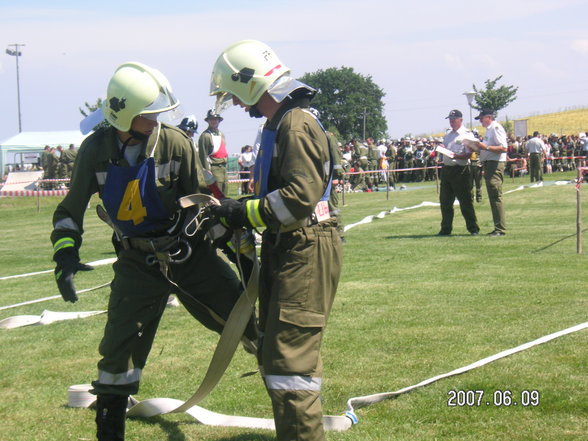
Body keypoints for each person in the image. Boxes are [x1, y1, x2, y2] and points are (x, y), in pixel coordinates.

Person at [49, 61, 256, 441]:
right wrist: (65, 254)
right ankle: (109, 430)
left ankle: (290, 404)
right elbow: (69, 210)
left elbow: (203, 200)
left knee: (247, 321)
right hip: (135, 262)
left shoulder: (174, 142)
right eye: (148, 114)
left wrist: (231, 243)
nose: (156, 120)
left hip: (190, 254)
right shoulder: (94, 151)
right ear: (123, 116)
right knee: (117, 355)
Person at [208, 39, 343, 441]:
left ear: (250, 83)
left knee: (290, 366)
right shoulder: (283, 121)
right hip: (290, 244)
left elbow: (300, 197)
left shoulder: (294, 123)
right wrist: (243, 209)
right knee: (277, 353)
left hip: (304, 245)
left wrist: (243, 212)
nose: (233, 103)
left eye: (233, 93)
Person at [437, 109, 479, 236]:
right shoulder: (448, 135)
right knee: (445, 202)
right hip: (447, 169)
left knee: (465, 201)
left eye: (454, 120)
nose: (451, 122)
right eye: (450, 120)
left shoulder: (467, 135)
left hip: (461, 170)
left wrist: (457, 155)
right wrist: (443, 150)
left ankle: (473, 228)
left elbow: (471, 152)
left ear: (461, 120)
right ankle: (445, 229)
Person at [468, 109, 508, 236]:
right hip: (490, 163)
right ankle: (498, 227)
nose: (480, 121)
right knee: (493, 196)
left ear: (489, 117)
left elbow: (503, 148)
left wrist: (486, 147)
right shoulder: (490, 130)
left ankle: (500, 229)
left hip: (495, 163)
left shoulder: (495, 128)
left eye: (481, 118)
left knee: (496, 196)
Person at [198, 109, 229, 194]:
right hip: (214, 167)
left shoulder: (221, 134)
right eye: (211, 119)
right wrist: (207, 171)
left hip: (223, 166)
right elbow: (202, 155)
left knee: (225, 189)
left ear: (219, 120)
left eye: (215, 119)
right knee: (217, 193)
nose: (213, 121)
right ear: (208, 121)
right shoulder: (205, 136)